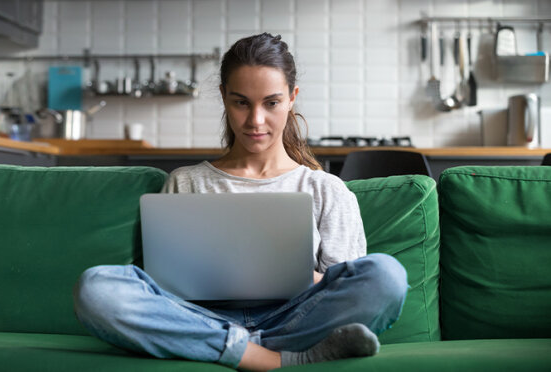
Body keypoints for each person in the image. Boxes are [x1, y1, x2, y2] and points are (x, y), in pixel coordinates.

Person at [73, 33, 408, 372]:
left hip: (293, 319)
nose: (255, 120)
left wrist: (295, 275)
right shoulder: (186, 182)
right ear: (223, 97)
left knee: (387, 275)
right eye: (242, 102)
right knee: (97, 288)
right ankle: (270, 358)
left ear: (292, 99)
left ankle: (220, 349)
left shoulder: (325, 189)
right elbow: (165, 287)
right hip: (201, 317)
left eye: (271, 103)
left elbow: (344, 285)